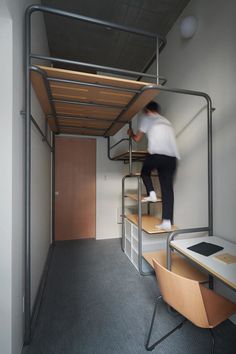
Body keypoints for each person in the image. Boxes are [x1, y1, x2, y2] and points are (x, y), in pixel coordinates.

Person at [127, 101, 180, 231]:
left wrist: (131, 134)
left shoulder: (147, 118)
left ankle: (152, 193)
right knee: (167, 189)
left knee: (145, 173)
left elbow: (138, 138)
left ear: (148, 110)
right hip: (172, 158)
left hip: (157, 154)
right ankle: (167, 221)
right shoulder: (167, 122)